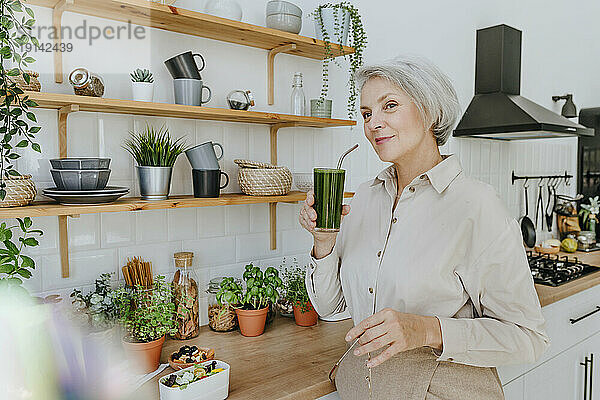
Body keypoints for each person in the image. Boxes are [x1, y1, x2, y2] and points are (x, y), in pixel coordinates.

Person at [299, 56, 549, 400]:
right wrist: (324, 243)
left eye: (390, 106)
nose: (374, 123)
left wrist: (426, 330)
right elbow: (330, 308)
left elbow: (527, 338)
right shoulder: (363, 201)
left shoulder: (477, 206)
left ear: (430, 112)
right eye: (367, 113)